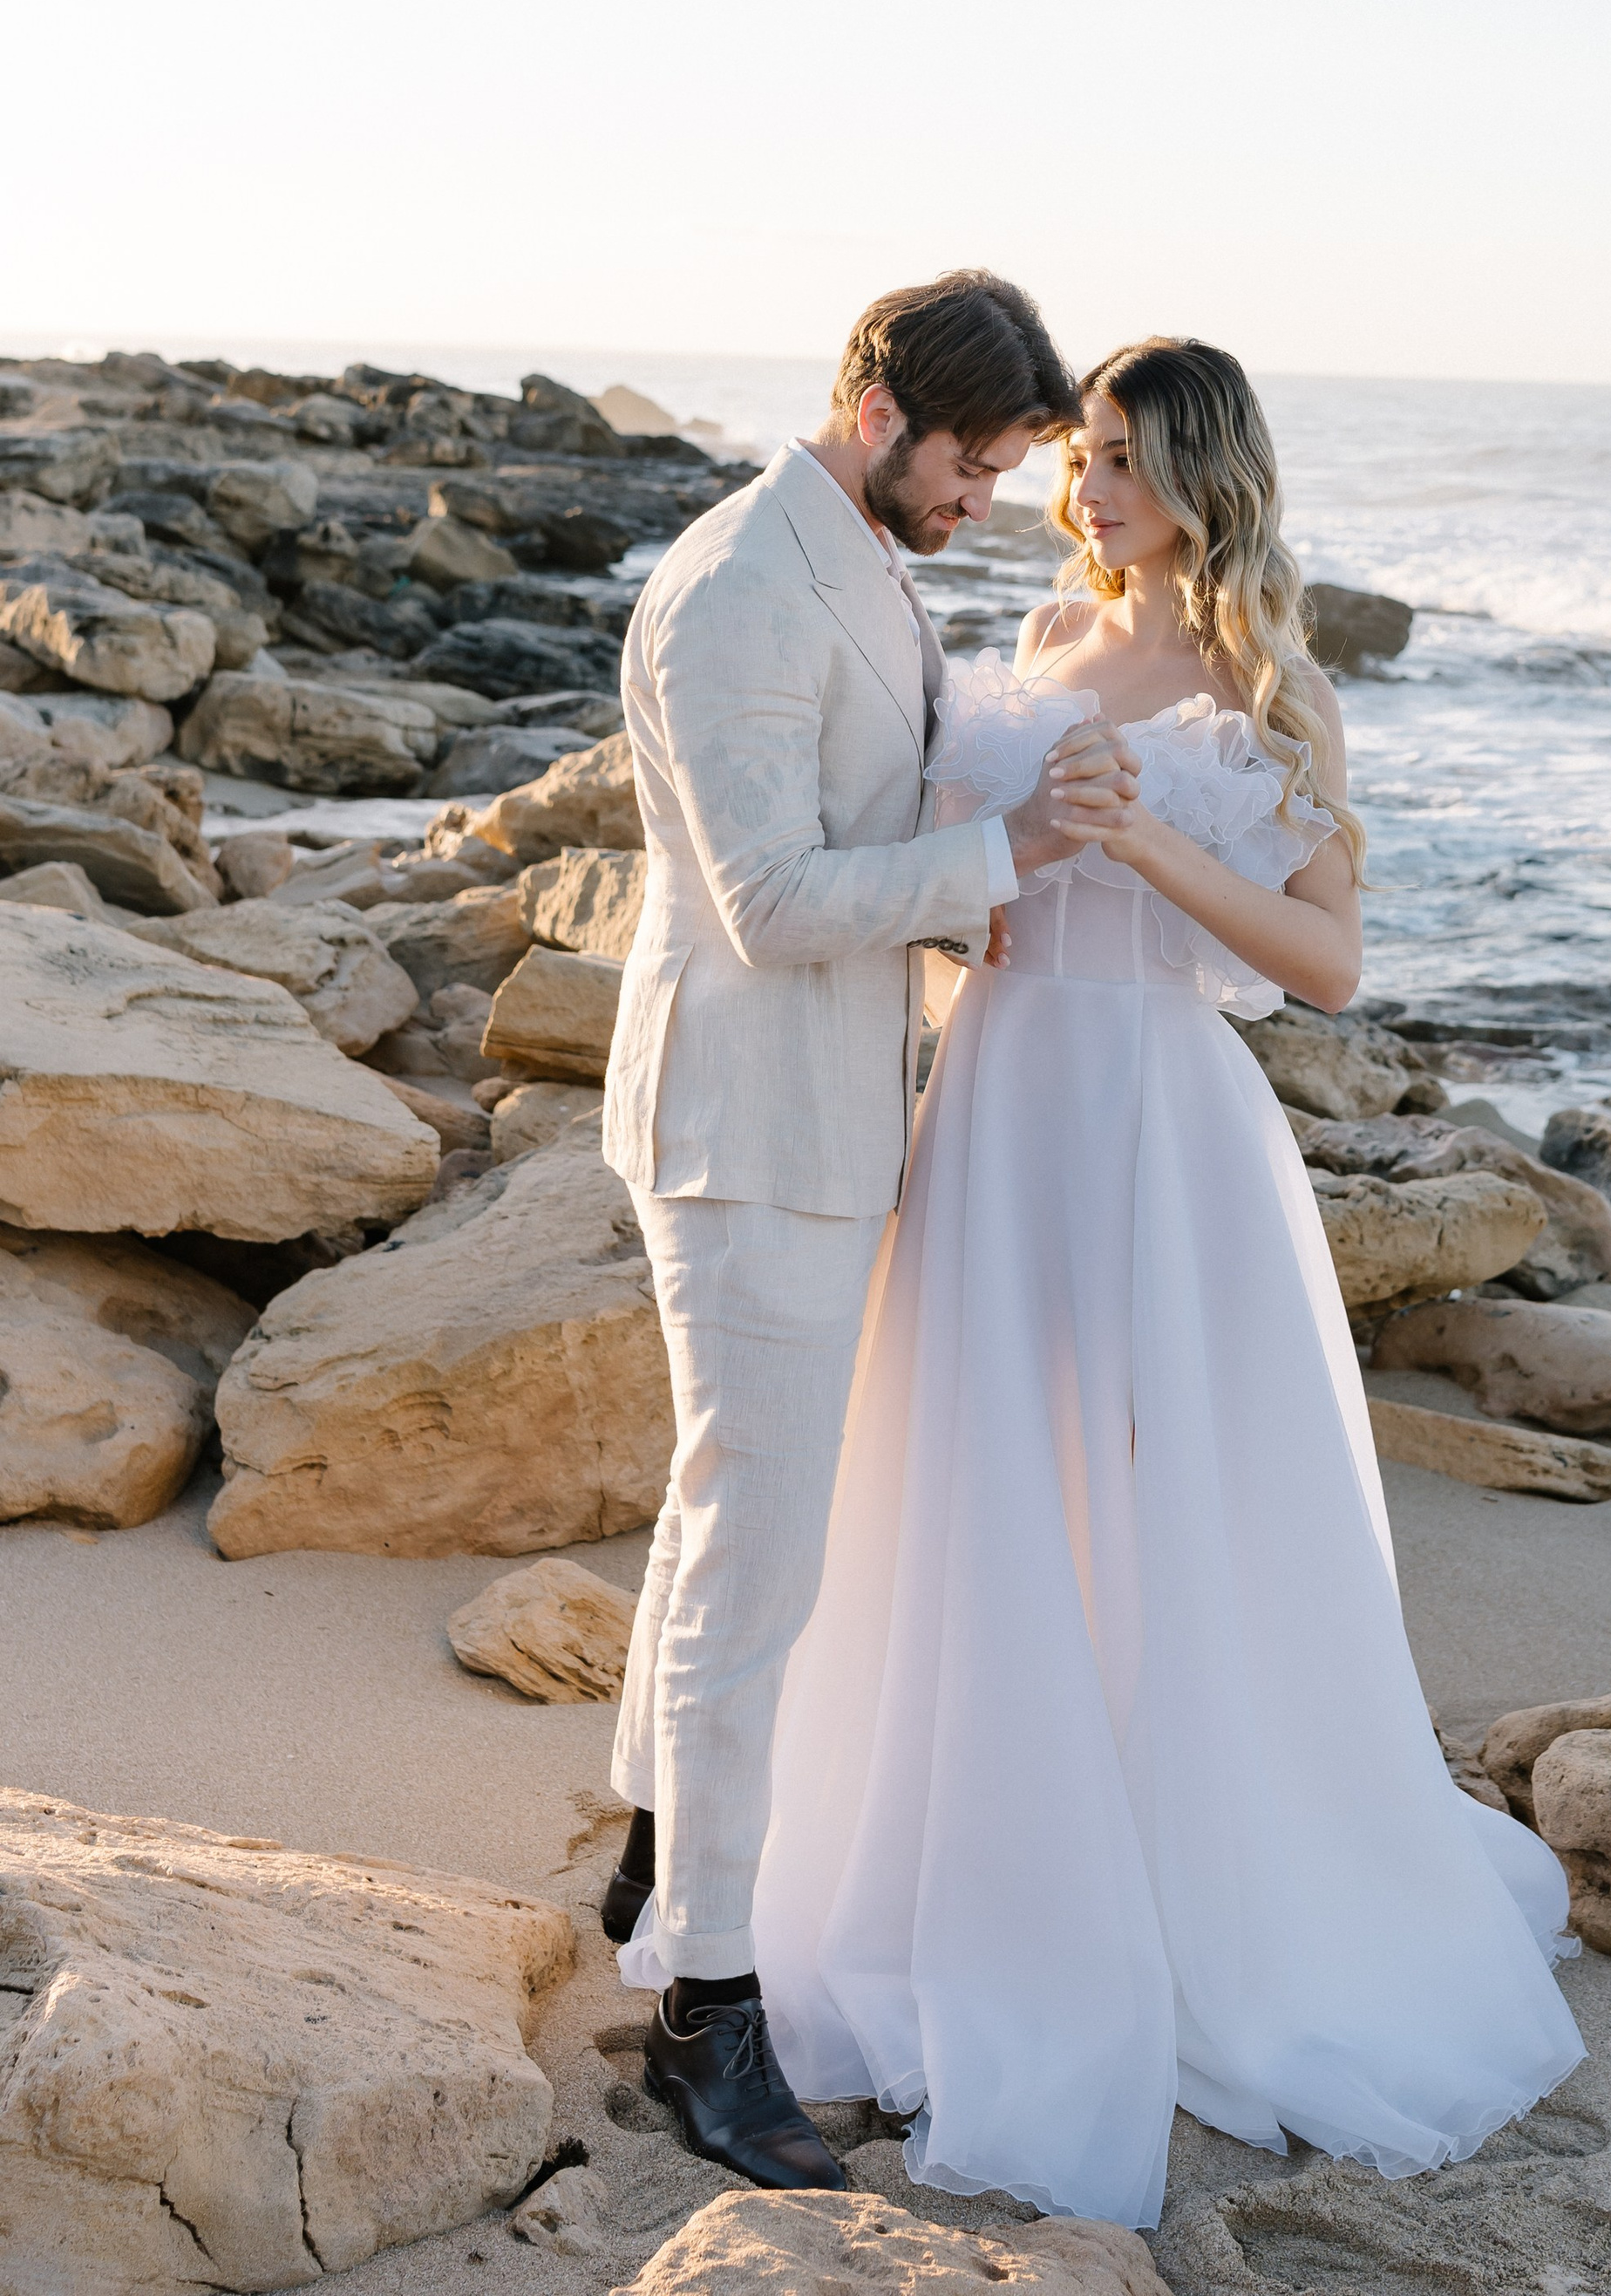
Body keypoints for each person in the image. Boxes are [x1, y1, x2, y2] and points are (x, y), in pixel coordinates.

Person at [739, 336, 1587, 2231]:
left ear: (1204, 475)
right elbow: (961, 874)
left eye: (1122, 458)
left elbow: (1328, 966)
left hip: (1154, 1118)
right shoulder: (1038, 626)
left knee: (1161, 1497)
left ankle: (1189, 1891)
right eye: (1082, 453)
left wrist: (1137, 843)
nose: (1086, 484)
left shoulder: (1265, 678)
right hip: (998, 1099)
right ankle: (986, 1874)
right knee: (978, 1489)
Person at [598, 270, 1134, 2189]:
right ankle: (707, 2018)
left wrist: (959, 881)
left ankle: (653, 1856)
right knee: (760, 1561)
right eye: (975, 463)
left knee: (714, 1511)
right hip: (748, 1130)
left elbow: (848, 821)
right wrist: (1004, 856)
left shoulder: (855, 556)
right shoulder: (746, 584)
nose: (984, 499)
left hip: (811, 1112)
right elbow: (757, 896)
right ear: (878, 405)